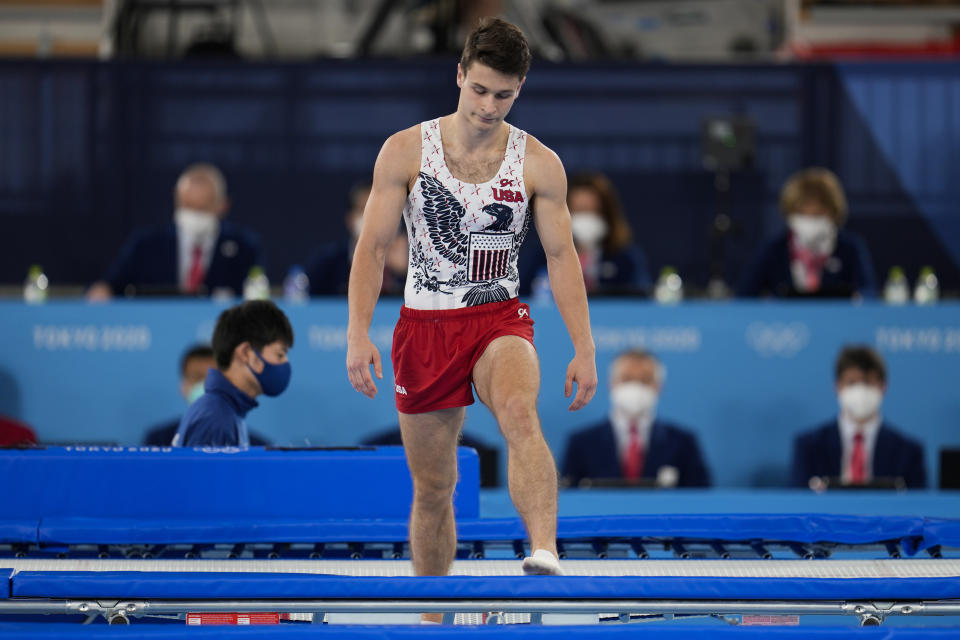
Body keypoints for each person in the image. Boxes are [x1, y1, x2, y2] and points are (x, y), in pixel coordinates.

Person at [345, 17, 598, 598]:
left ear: (521, 88)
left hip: (498, 319)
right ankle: (433, 615)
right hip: (425, 326)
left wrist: (584, 346)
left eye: (503, 95)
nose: (488, 106)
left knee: (518, 411)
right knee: (435, 488)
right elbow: (372, 249)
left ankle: (543, 548)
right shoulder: (406, 150)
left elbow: (562, 259)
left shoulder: (539, 164)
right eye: (479, 89)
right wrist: (358, 333)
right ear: (459, 75)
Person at [87, 163, 263, 300]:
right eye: (187, 206)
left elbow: (257, 297)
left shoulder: (245, 248)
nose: (193, 215)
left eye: (201, 208)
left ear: (222, 205)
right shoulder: (146, 246)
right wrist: (103, 291)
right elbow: (110, 285)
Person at [561, 349, 710, 488]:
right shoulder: (581, 443)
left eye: (645, 380)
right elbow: (566, 498)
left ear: (659, 387)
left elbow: (701, 498)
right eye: (627, 379)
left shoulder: (683, 443)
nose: (635, 387)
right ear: (611, 384)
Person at [791, 345, 926, 489]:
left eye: (868, 382)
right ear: (837, 387)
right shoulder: (809, 447)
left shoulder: (908, 452)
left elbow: (918, 507)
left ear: (883, 387)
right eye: (852, 383)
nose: (860, 391)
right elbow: (798, 503)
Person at [736, 167, 877, 299]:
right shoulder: (773, 250)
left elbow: (868, 293)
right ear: (790, 214)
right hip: (786, 324)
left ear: (834, 213)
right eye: (802, 213)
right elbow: (745, 296)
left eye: (817, 214)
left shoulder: (851, 248)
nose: (809, 221)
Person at [173, 300, 293, 448]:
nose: (285, 364)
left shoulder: (225, 412)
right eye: (280, 354)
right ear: (246, 353)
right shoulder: (216, 419)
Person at [520, 171, 651, 296]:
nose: (585, 220)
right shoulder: (541, 256)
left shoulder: (626, 257)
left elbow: (641, 298)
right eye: (579, 211)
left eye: (591, 211)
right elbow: (520, 296)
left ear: (606, 215)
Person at [143, 344, 270, 446]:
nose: (206, 385)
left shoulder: (256, 447)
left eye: (214, 377)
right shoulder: (157, 441)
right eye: (197, 377)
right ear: (183, 386)